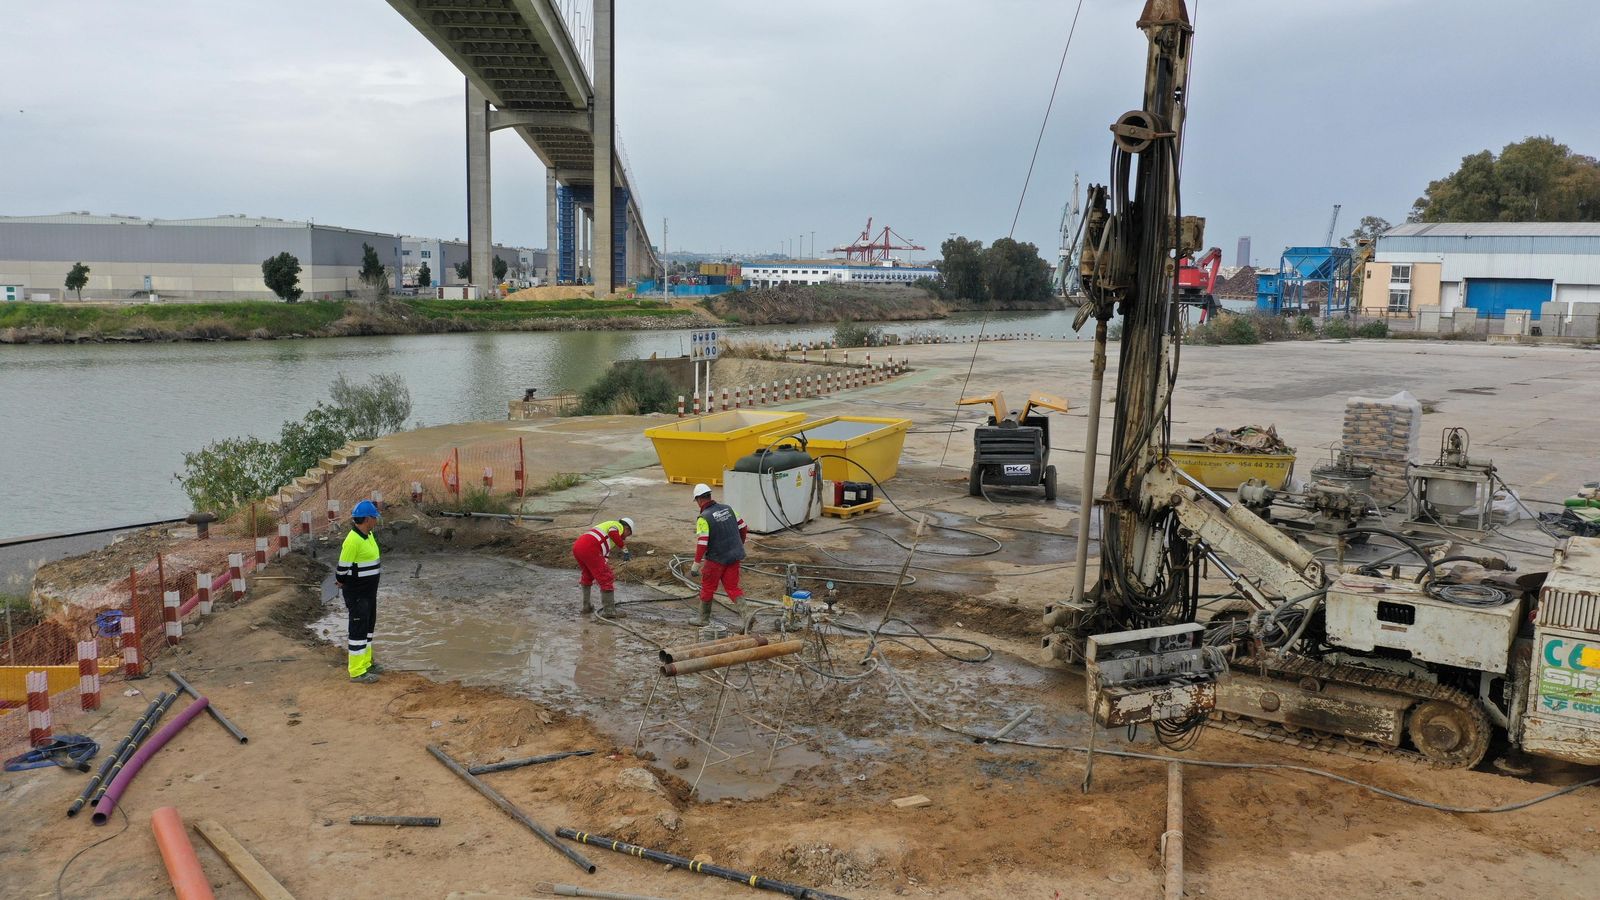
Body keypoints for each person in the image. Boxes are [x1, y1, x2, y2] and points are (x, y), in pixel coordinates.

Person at [336, 499, 383, 684]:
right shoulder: (352, 540)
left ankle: (366, 663)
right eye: (374, 518)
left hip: (369, 593)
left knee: (367, 629)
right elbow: (342, 568)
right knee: (358, 630)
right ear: (367, 519)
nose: (376, 521)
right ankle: (356, 671)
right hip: (357, 594)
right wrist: (340, 581)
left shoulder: (368, 535)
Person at [689, 483, 748, 626]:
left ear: (699, 500)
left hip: (715, 560)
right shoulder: (729, 509)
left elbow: (703, 543)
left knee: (708, 587)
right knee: (733, 588)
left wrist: (696, 565)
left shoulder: (704, 518)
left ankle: (703, 619)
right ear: (709, 496)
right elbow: (743, 527)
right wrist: (739, 544)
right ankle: (748, 616)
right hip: (734, 557)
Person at [572, 517, 635, 618]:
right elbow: (613, 532)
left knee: (587, 575)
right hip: (590, 547)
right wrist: (624, 548)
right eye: (629, 534)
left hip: (578, 546)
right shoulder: (617, 525)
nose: (626, 537)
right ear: (626, 528)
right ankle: (609, 611)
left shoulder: (606, 533)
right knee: (607, 577)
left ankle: (586, 606)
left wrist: (603, 568)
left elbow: (603, 556)